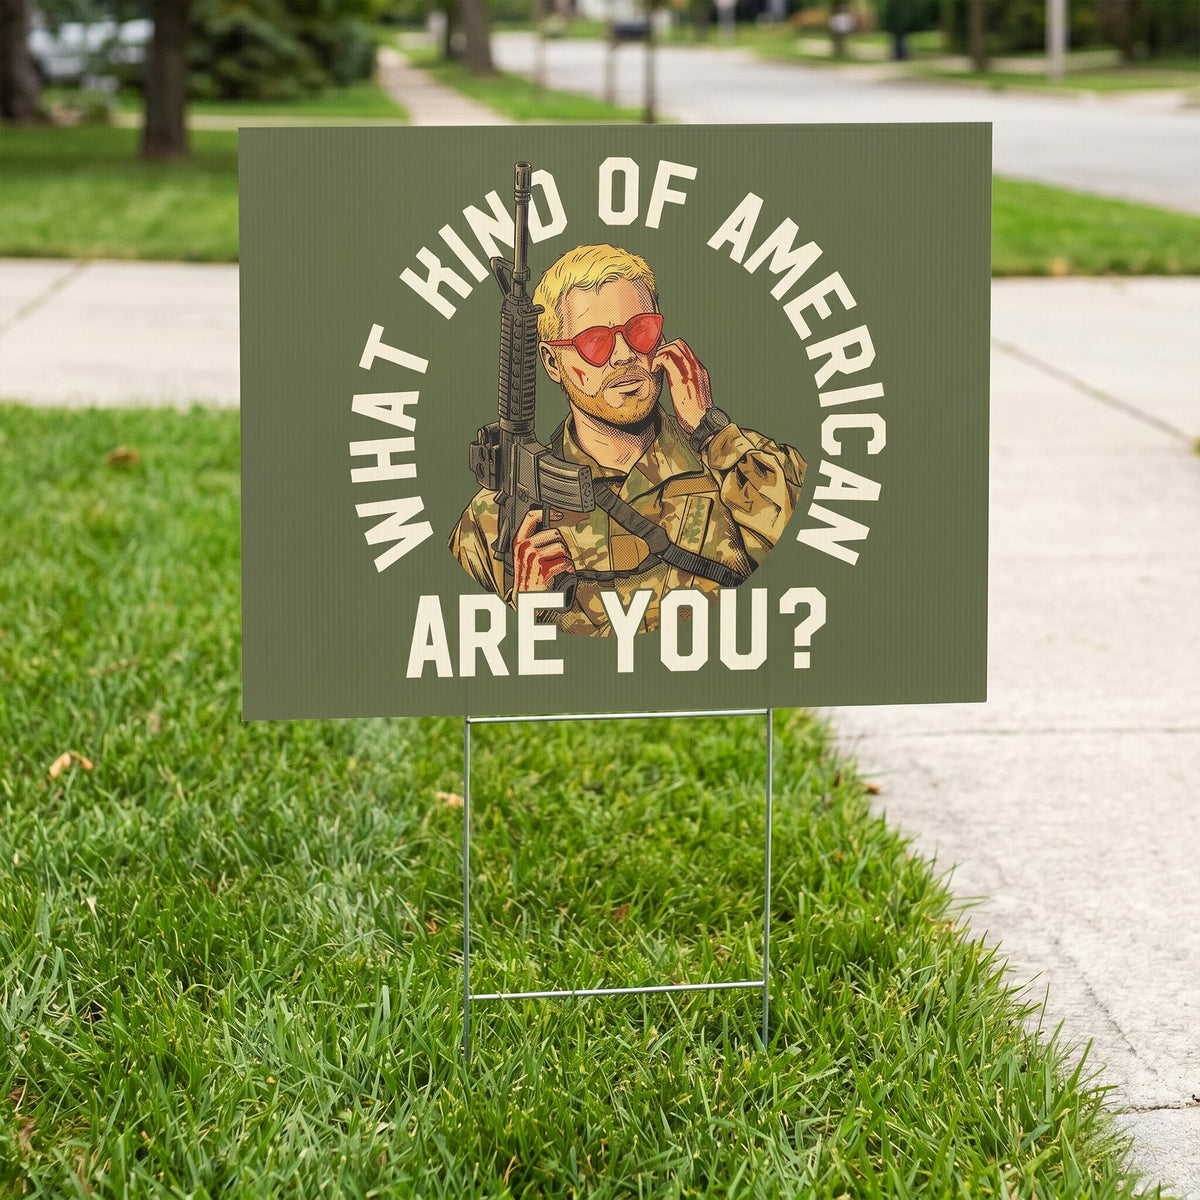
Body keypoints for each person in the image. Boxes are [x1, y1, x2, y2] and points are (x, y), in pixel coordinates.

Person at [449, 243, 806, 637]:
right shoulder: (489, 521)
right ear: (553, 362)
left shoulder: (744, 466)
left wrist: (713, 432)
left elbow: (808, 567)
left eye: (640, 331)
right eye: (595, 342)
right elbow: (472, 649)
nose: (624, 355)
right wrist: (528, 610)